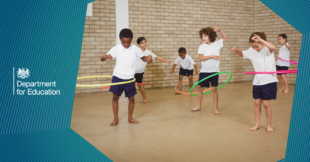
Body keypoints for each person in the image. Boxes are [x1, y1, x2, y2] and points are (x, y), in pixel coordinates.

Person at [100, 28, 152, 126]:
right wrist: (105, 57)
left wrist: (149, 58)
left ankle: (130, 118)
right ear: (120, 39)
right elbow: (102, 58)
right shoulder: (116, 48)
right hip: (117, 76)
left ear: (131, 40)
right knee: (115, 98)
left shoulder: (135, 49)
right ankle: (115, 118)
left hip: (129, 77)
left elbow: (144, 58)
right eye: (124, 42)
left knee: (131, 99)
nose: (126, 44)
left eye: (128, 42)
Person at [230, 32, 277, 132]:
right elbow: (242, 53)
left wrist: (261, 40)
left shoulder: (267, 50)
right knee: (257, 103)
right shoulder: (251, 51)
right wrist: (236, 50)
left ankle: (269, 124)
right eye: (253, 46)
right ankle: (257, 124)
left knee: (266, 104)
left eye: (257, 46)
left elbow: (273, 47)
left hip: (269, 80)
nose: (255, 48)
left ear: (262, 43)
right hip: (257, 81)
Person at [190, 27, 228, 114]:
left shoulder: (217, 44)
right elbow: (201, 58)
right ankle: (198, 106)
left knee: (214, 89)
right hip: (204, 71)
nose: (203, 38)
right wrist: (212, 56)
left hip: (214, 71)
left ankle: (216, 108)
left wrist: (220, 30)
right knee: (200, 88)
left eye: (206, 36)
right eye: (202, 36)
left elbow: (226, 38)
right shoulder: (201, 47)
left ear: (211, 36)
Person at [135, 37, 172, 103]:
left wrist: (166, 61)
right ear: (138, 44)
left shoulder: (148, 52)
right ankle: (131, 99)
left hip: (140, 72)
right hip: (132, 72)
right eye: (142, 43)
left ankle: (145, 98)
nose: (144, 43)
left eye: (145, 42)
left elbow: (157, 57)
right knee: (131, 86)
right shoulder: (136, 50)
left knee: (140, 86)